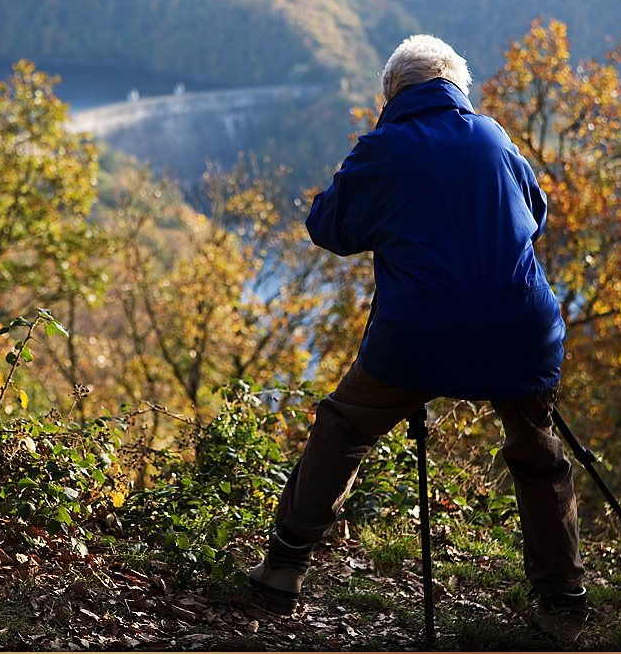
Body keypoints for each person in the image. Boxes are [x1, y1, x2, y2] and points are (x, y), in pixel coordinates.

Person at [248, 35, 587, 641]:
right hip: (520, 327)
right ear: (457, 85)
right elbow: (534, 216)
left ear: (392, 95)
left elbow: (328, 228)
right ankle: (562, 600)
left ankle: (283, 567)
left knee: (345, 426)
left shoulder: (382, 149)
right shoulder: (496, 136)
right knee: (537, 451)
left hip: (419, 334)